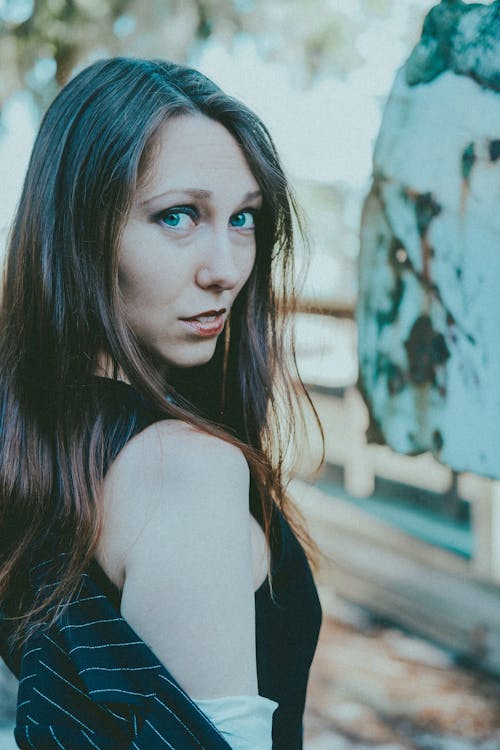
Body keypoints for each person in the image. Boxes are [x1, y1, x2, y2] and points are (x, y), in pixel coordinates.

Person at [0, 57, 323, 749]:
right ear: (79, 230)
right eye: (178, 216)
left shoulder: (32, 444)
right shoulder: (186, 471)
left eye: (243, 218)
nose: (228, 268)